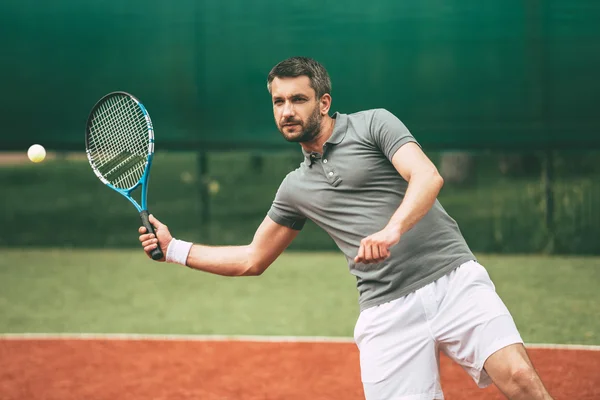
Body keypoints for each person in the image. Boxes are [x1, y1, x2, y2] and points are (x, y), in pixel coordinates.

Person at [138, 57, 553, 400]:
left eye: (298, 99)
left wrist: (391, 231)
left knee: (519, 380)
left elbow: (427, 177)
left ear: (323, 102)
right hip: (386, 313)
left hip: (453, 280)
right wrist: (175, 248)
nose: (287, 111)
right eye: (278, 101)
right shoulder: (294, 188)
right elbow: (252, 258)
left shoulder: (374, 124)